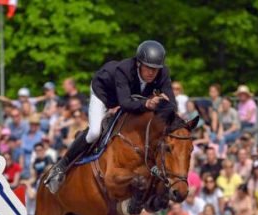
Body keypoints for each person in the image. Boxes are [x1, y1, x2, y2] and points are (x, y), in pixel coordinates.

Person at [44, 40, 176, 193]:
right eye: (148, 67)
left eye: (156, 69)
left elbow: (172, 103)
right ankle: (61, 167)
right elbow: (125, 103)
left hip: (131, 98)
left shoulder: (163, 73)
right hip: (104, 94)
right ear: (139, 63)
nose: (152, 73)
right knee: (94, 132)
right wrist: (148, 104)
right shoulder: (124, 69)